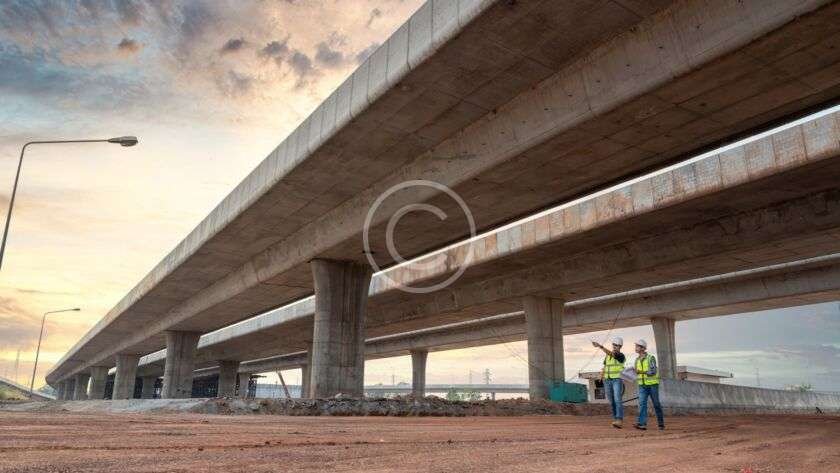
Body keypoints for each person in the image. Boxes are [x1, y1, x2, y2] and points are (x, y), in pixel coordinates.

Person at [592, 337, 625, 428]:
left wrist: (600, 346)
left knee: (617, 399)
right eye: (614, 345)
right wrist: (601, 375)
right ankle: (615, 419)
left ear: (620, 346)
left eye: (617, 345)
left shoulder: (621, 356)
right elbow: (605, 366)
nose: (614, 346)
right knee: (612, 401)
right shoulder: (607, 356)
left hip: (617, 379)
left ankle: (619, 419)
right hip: (607, 380)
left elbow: (612, 354)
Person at [633, 339, 665, 431]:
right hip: (642, 385)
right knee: (642, 404)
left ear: (643, 348)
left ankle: (661, 424)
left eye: (637, 346)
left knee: (656, 404)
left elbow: (653, 371)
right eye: (636, 346)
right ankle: (642, 424)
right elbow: (637, 372)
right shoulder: (636, 360)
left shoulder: (651, 358)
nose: (635, 348)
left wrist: (641, 372)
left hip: (652, 385)